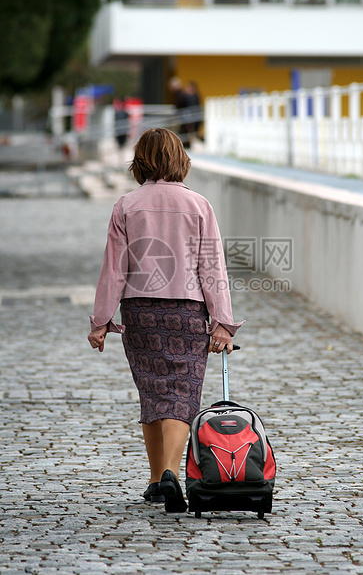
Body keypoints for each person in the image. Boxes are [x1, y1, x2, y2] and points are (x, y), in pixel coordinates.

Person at [88, 128, 243, 513]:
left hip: (140, 312)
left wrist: (101, 319)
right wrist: (222, 321)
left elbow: (114, 268)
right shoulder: (199, 206)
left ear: (139, 162)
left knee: (153, 391)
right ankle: (170, 474)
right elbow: (213, 269)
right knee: (181, 393)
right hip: (187, 312)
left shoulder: (126, 205)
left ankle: (159, 479)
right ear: (180, 159)